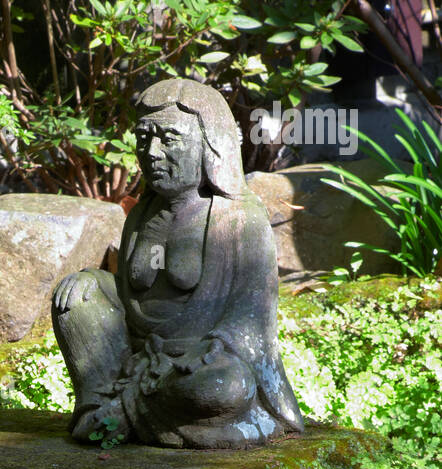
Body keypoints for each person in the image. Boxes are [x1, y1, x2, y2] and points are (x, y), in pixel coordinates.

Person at [52, 78, 304, 448]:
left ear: (208, 144)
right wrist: (94, 280)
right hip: (138, 357)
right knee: (75, 298)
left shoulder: (240, 219)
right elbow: (125, 300)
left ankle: (121, 412)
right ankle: (108, 403)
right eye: (143, 139)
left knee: (223, 387)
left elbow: (252, 321)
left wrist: (210, 349)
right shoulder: (142, 215)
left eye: (168, 139)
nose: (151, 152)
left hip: (201, 362)